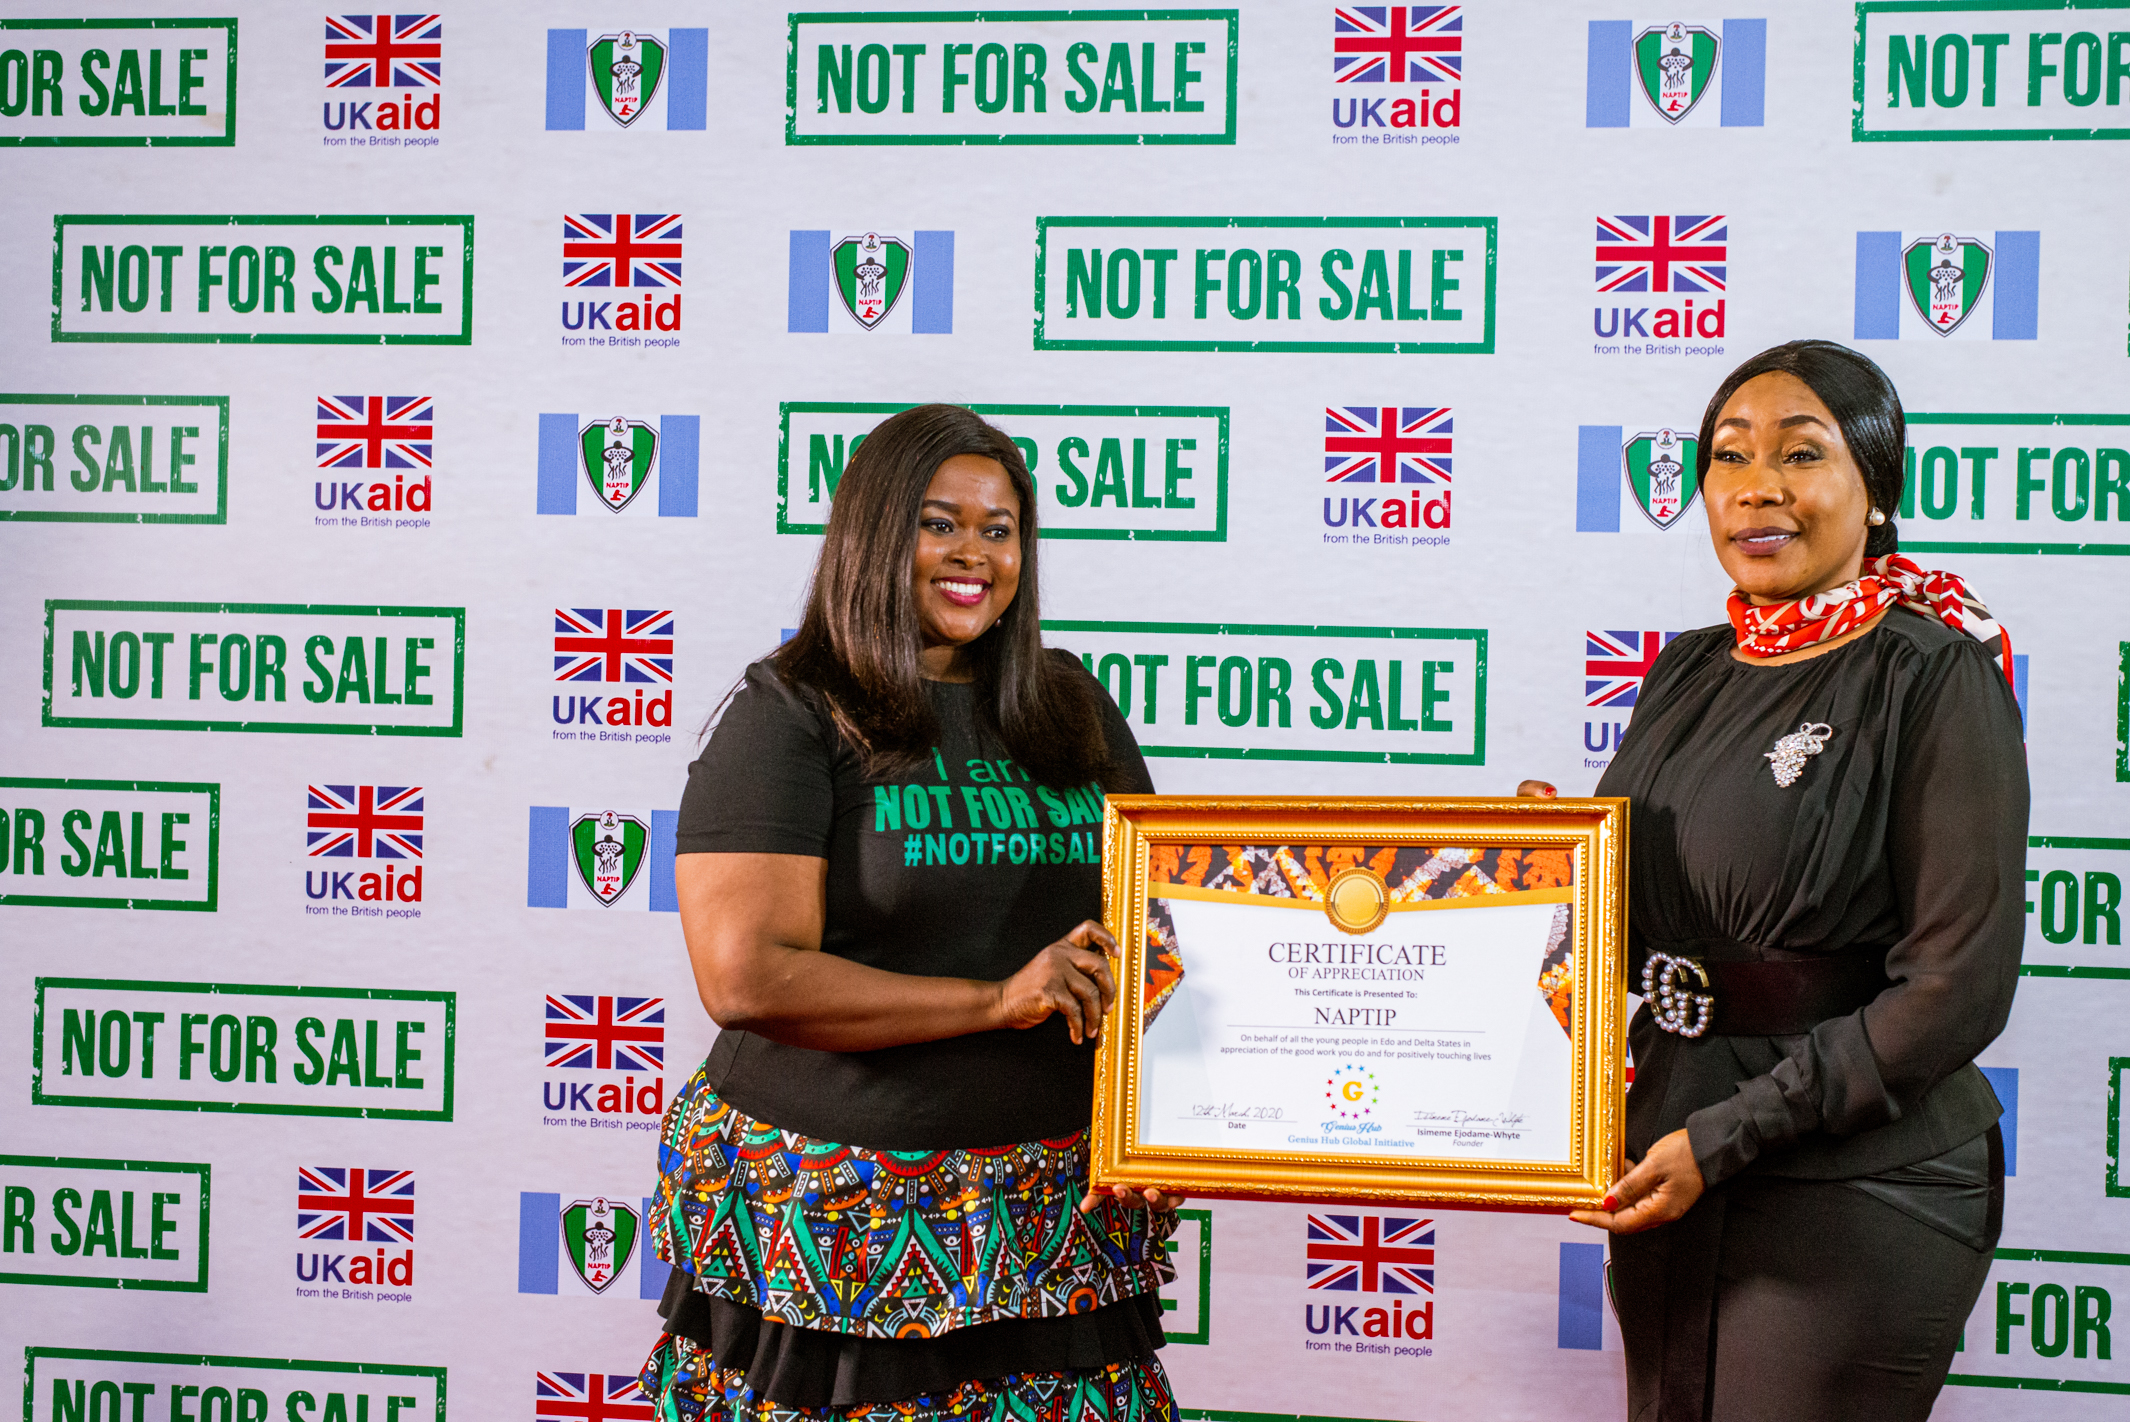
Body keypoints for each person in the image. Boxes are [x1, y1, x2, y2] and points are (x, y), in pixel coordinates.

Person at [639, 404, 1182, 1422]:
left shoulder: (1070, 703)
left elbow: (1153, 935)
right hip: (839, 1219)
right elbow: (747, 975)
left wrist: (1161, 1130)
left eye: (998, 529)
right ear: (876, 534)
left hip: (1056, 1223)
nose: (974, 554)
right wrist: (997, 1000)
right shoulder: (792, 712)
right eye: (940, 524)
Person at [1537, 341, 2029, 1420]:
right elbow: (1642, 921)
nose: (1757, 486)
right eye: (1729, 455)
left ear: (1877, 491)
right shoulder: (1687, 668)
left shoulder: (1930, 672)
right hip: (1669, 1151)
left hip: (1853, 1180)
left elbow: (1958, 986)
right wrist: (1537, 873)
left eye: (1801, 454)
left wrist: (1730, 1134)